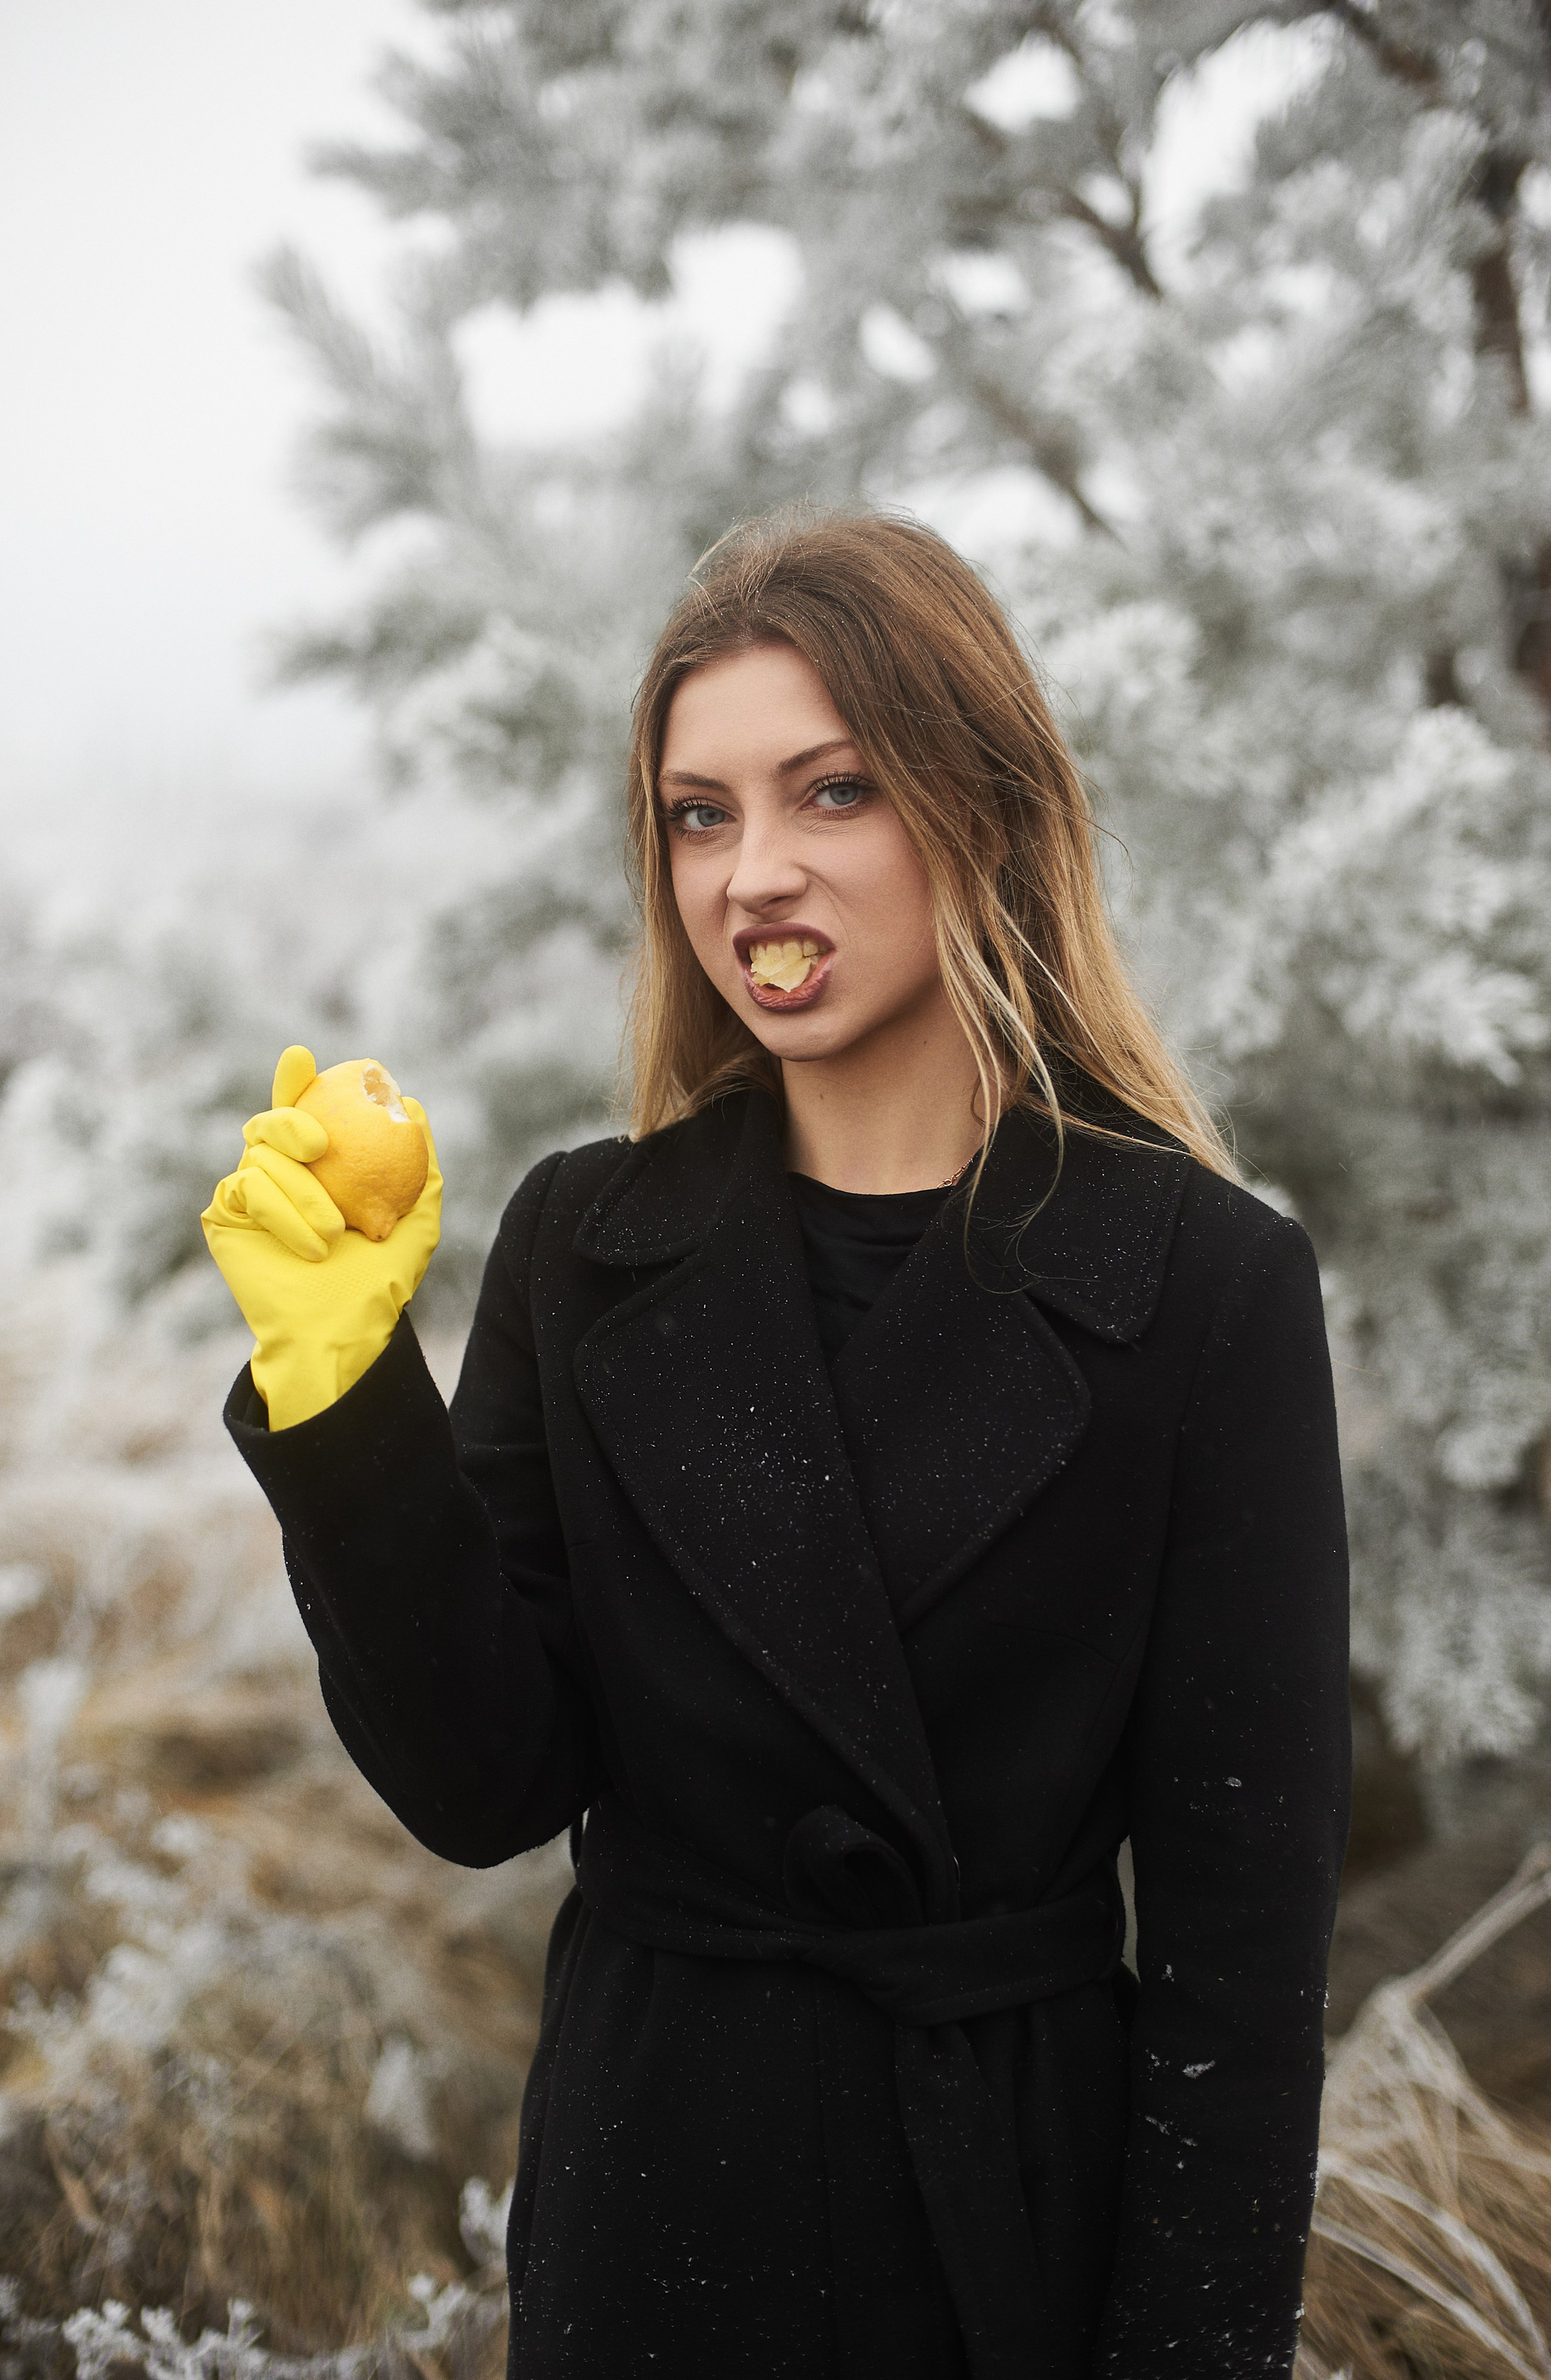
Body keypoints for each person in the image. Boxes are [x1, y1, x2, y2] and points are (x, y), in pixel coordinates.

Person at [204, 510, 1351, 2380]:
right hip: (654, 2211)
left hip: (1008, 2241)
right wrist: (346, 1398)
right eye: (699, 814)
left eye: (831, 792)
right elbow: (483, 1783)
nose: (752, 877)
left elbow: (1241, 1966)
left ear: (980, 806)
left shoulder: (1202, 1286)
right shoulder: (591, 1243)